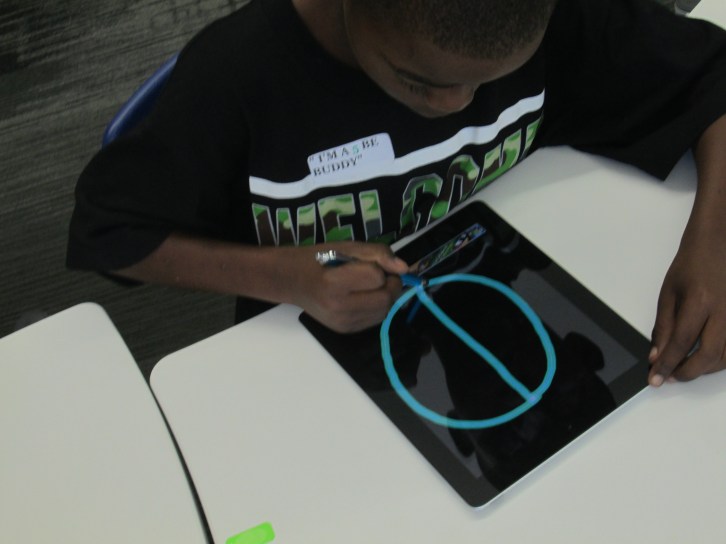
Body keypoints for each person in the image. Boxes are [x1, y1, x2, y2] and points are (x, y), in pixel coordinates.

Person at [67, 0, 726, 387]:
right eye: (418, 81)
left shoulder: (551, 18)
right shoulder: (238, 79)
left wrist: (717, 242)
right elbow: (109, 230)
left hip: (504, 305)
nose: (456, 105)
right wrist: (285, 275)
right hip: (310, 357)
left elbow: (712, 72)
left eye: (490, 81)